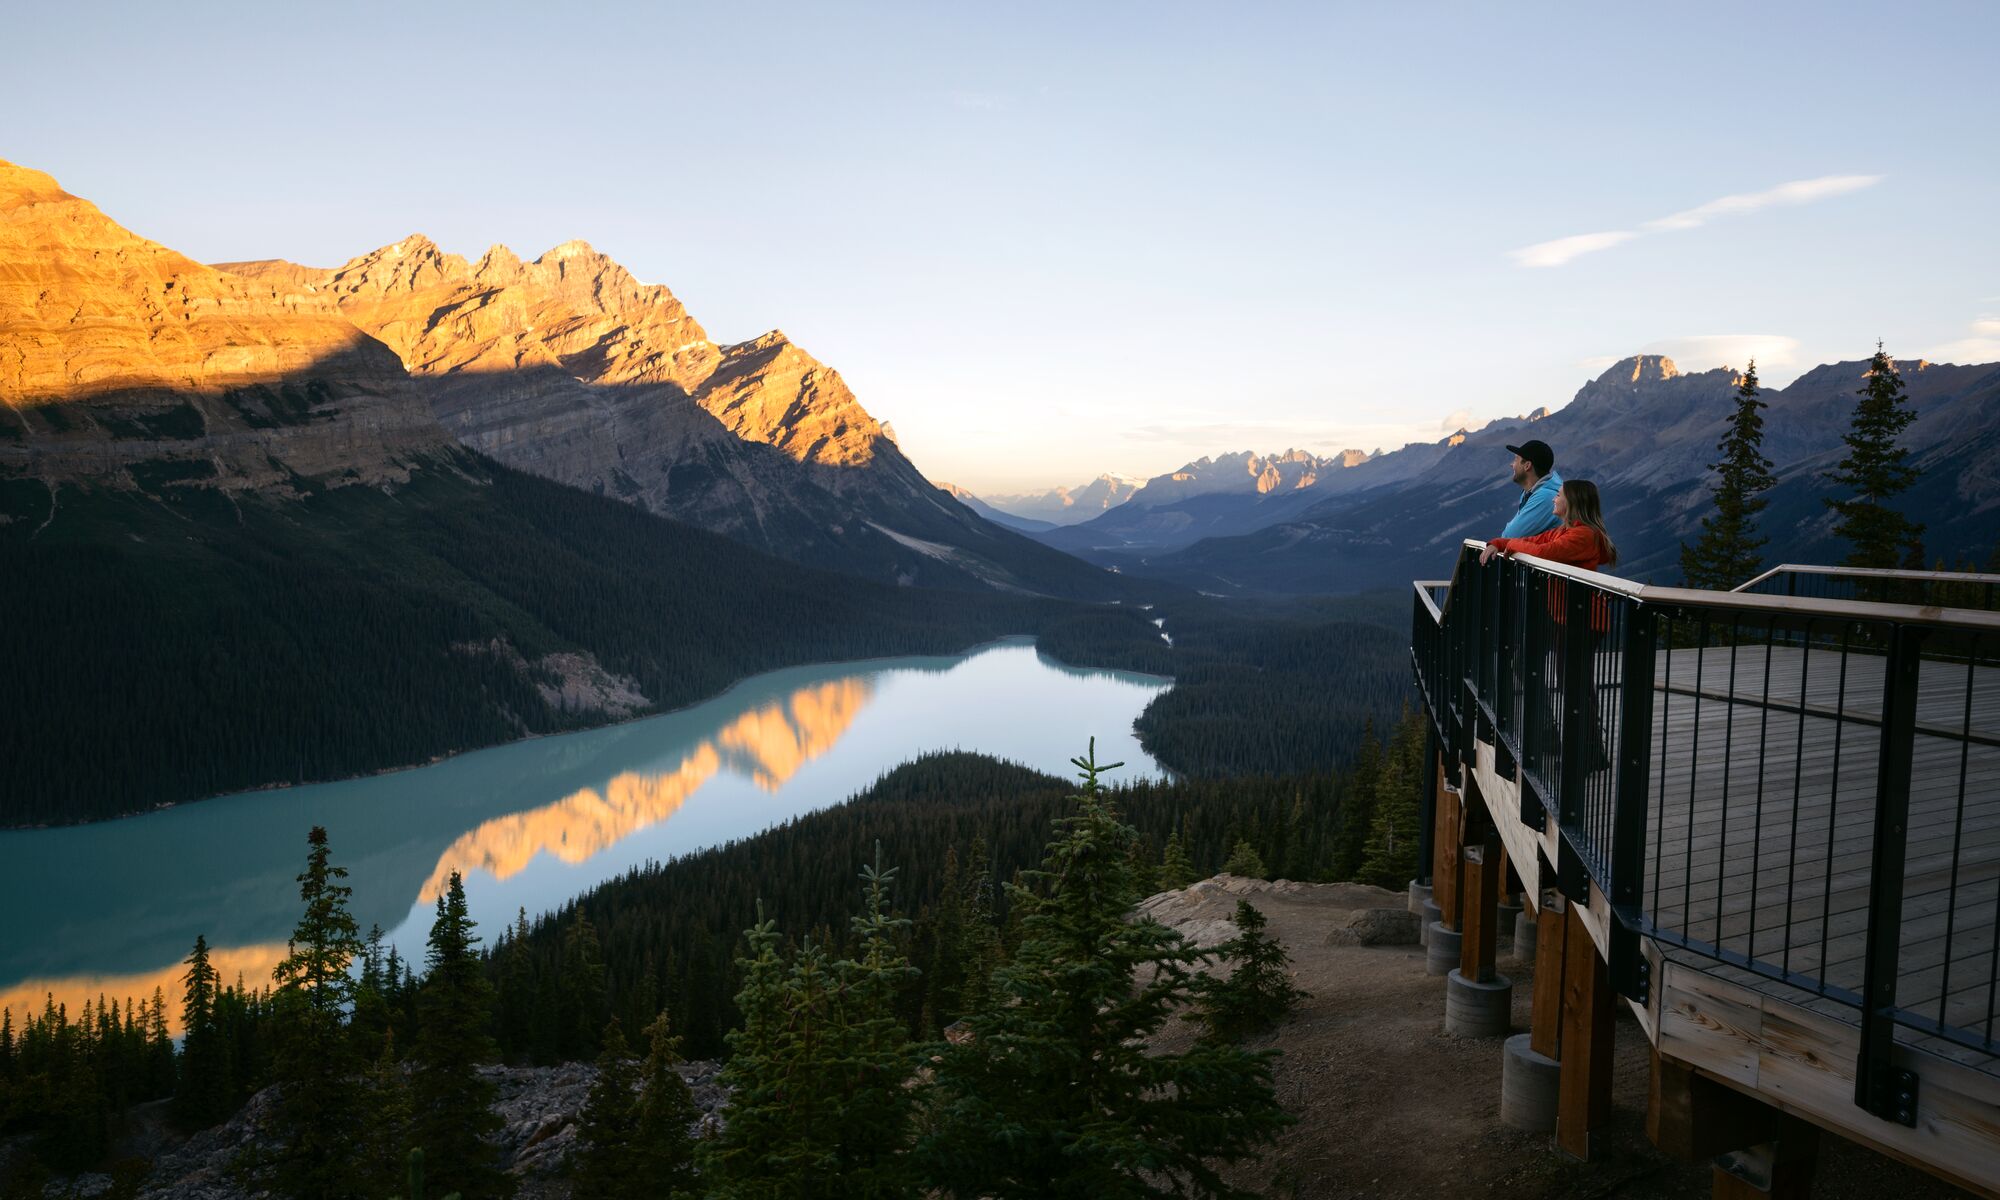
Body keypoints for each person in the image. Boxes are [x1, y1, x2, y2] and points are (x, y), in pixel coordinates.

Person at [1480, 478, 1616, 571]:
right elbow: (1531, 541)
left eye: (1558, 495)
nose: (1553, 499)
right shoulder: (1564, 530)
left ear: (1571, 502)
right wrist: (1498, 544)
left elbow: (1543, 552)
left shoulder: (1583, 535)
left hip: (1582, 611)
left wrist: (1510, 545)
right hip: (1569, 609)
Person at [1498, 439, 1563, 540]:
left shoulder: (1546, 497)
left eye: (1516, 460)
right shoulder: (1531, 492)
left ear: (1527, 466)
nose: (1511, 464)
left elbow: (1510, 536)